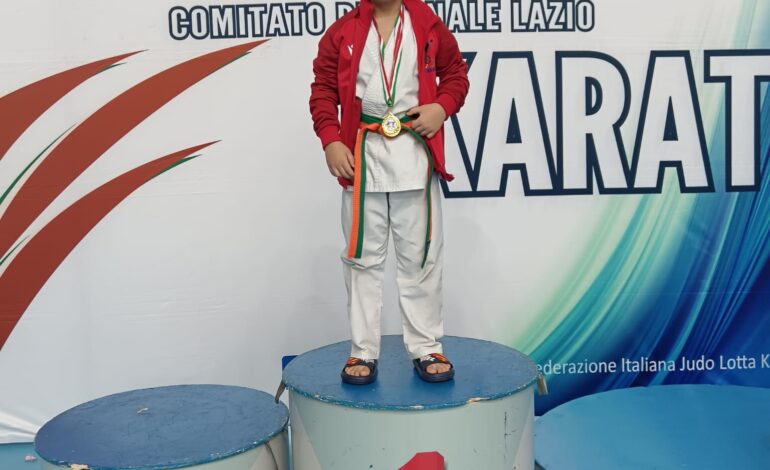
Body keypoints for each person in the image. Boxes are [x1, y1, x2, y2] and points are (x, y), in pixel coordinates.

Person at [309, 0, 469, 384]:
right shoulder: (341, 32)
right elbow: (322, 91)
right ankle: (362, 350)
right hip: (361, 157)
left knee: (421, 258)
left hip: (415, 153)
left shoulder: (427, 24)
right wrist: (331, 139)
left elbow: (456, 75)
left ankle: (426, 346)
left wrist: (441, 108)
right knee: (361, 262)